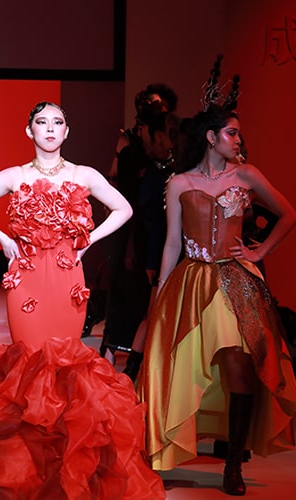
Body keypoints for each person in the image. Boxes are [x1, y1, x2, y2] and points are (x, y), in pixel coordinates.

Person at [0, 102, 165, 499]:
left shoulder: (83, 175)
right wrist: (3, 239)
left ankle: (63, 474)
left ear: (67, 132)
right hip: (25, 279)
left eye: (58, 122)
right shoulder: (15, 176)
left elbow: (123, 209)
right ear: (30, 131)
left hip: (66, 276)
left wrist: (89, 240)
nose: (50, 128)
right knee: (27, 366)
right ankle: (24, 475)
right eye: (42, 122)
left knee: (66, 367)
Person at [137, 98, 296, 495]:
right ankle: (167, 451)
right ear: (211, 137)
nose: (238, 139)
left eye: (238, 133)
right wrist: (160, 292)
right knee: (184, 366)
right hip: (192, 282)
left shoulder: (246, 174)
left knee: (240, 366)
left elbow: (289, 214)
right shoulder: (180, 182)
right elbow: (172, 243)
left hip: (235, 282)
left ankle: (233, 465)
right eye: (232, 132)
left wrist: (258, 252)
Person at [100, 86, 179, 379]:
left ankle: (142, 364)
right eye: (150, 104)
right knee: (125, 289)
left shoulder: (173, 153)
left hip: (159, 229)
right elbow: (116, 181)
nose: (155, 108)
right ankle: (113, 357)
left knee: (152, 300)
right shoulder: (132, 145)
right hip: (133, 226)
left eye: (160, 105)